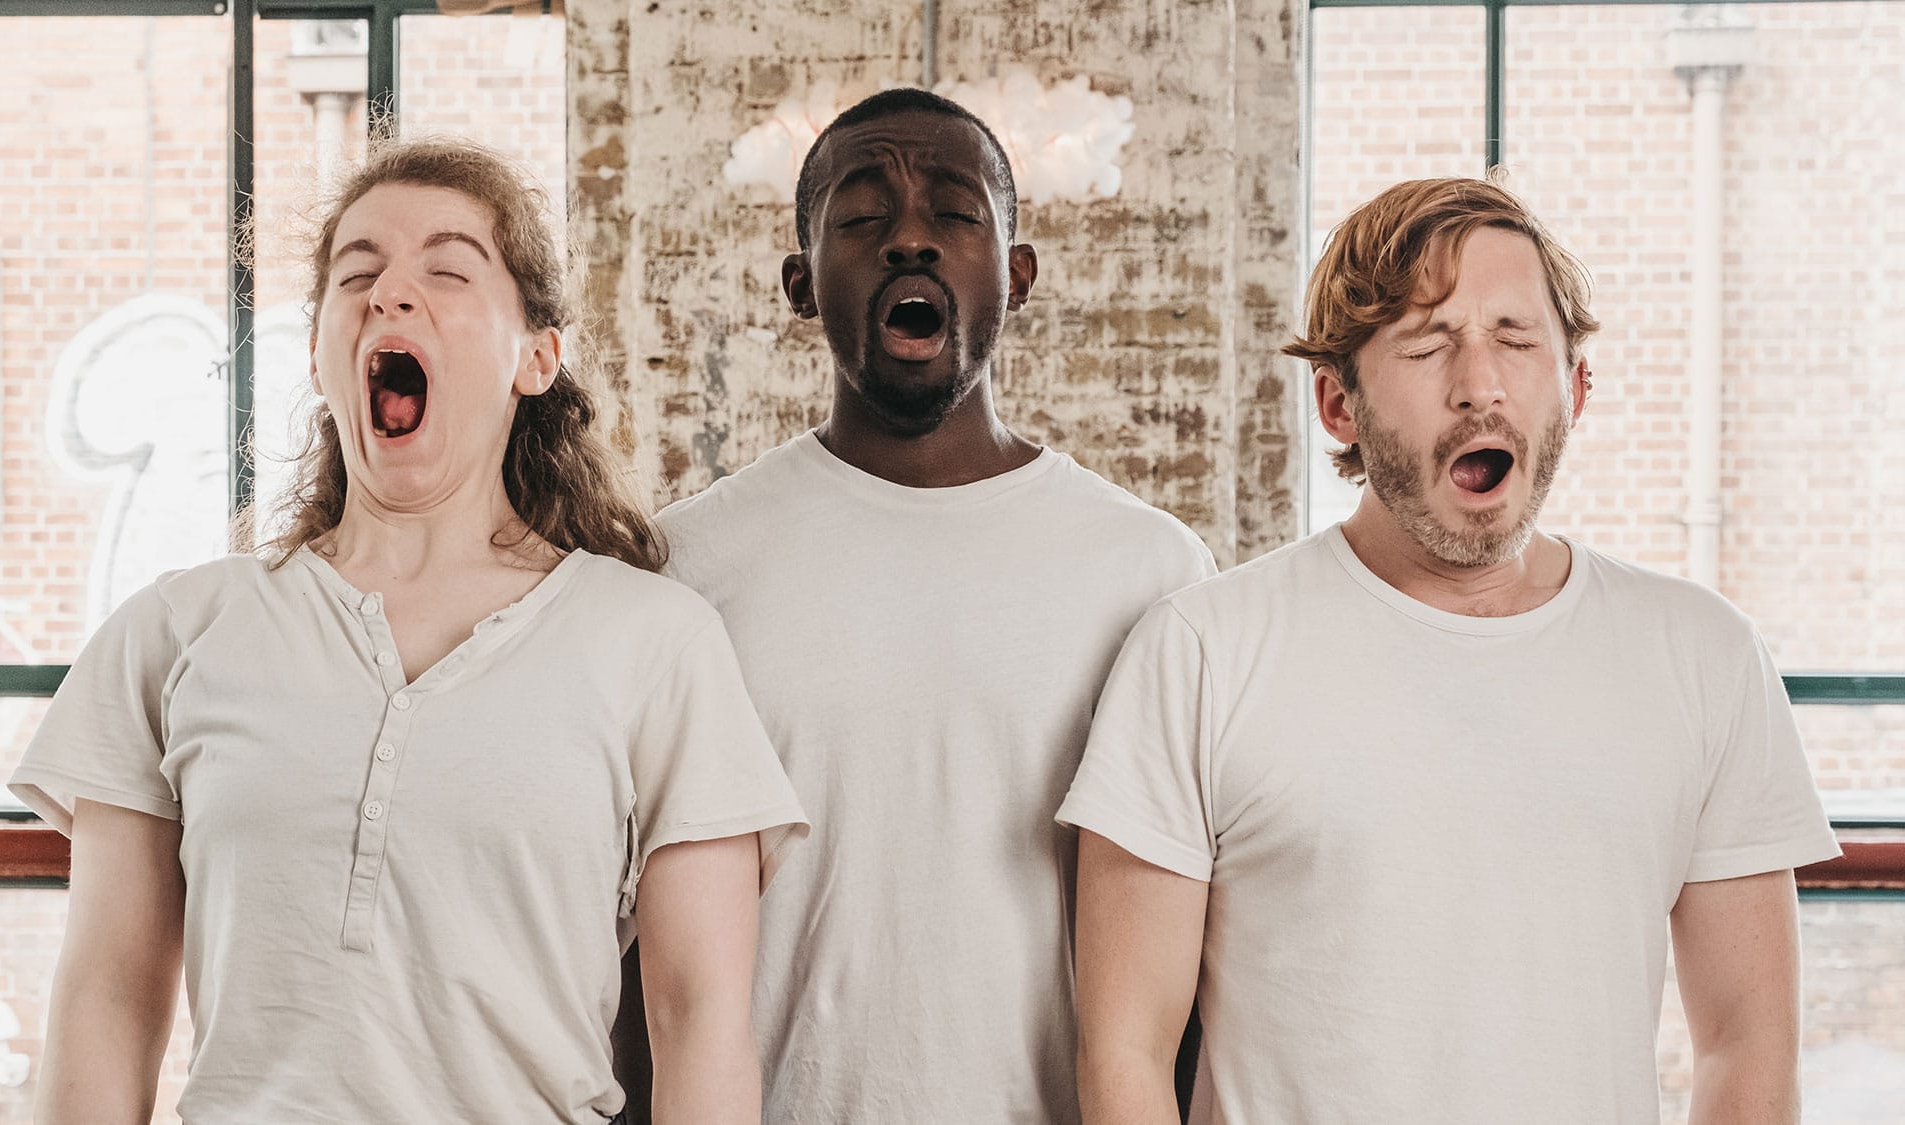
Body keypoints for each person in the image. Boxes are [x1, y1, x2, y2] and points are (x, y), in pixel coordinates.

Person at [11, 136, 805, 1125]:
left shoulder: (657, 643)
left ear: (537, 356)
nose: (390, 295)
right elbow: (107, 1001)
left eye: (447, 271)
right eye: (358, 276)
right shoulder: (174, 633)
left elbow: (700, 1023)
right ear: (318, 354)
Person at [1061, 175, 1841, 1123]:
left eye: (1516, 338)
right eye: (1428, 344)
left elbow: (1746, 1046)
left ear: (1576, 387)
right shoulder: (1199, 653)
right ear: (1338, 403)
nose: (1480, 383)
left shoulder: (1706, 657)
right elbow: (1127, 1052)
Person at [612, 88, 1217, 1123]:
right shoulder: (683, 569)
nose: (908, 239)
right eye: (860, 216)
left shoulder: (1151, 572)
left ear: (1018, 276)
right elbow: (636, 957)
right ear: (801, 284)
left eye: (954, 211)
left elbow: (1194, 959)